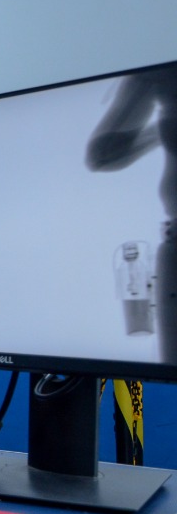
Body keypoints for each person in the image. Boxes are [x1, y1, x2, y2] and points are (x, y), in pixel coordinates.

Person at [84, 63, 177, 362]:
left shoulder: (158, 70)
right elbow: (102, 155)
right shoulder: (159, 69)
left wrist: (161, 129)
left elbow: (103, 154)